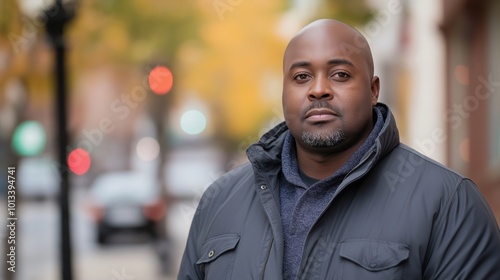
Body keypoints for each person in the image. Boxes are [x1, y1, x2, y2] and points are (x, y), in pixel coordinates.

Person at [178, 19, 500, 279]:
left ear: (374, 90)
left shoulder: (449, 204)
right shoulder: (219, 201)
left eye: (340, 75)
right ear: (284, 91)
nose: (319, 89)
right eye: (302, 76)